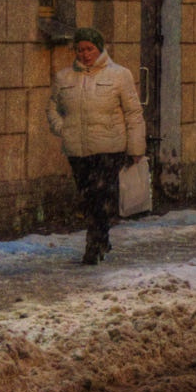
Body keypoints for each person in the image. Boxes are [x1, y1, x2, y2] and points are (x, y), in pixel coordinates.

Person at [47, 28, 146, 264]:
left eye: (89, 48)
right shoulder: (64, 77)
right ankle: (102, 237)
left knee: (100, 195)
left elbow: (133, 113)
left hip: (109, 148)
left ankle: (93, 244)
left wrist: (135, 148)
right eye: (80, 49)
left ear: (99, 48)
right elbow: (52, 108)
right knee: (87, 197)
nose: (85, 54)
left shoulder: (119, 75)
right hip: (78, 150)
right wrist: (64, 129)